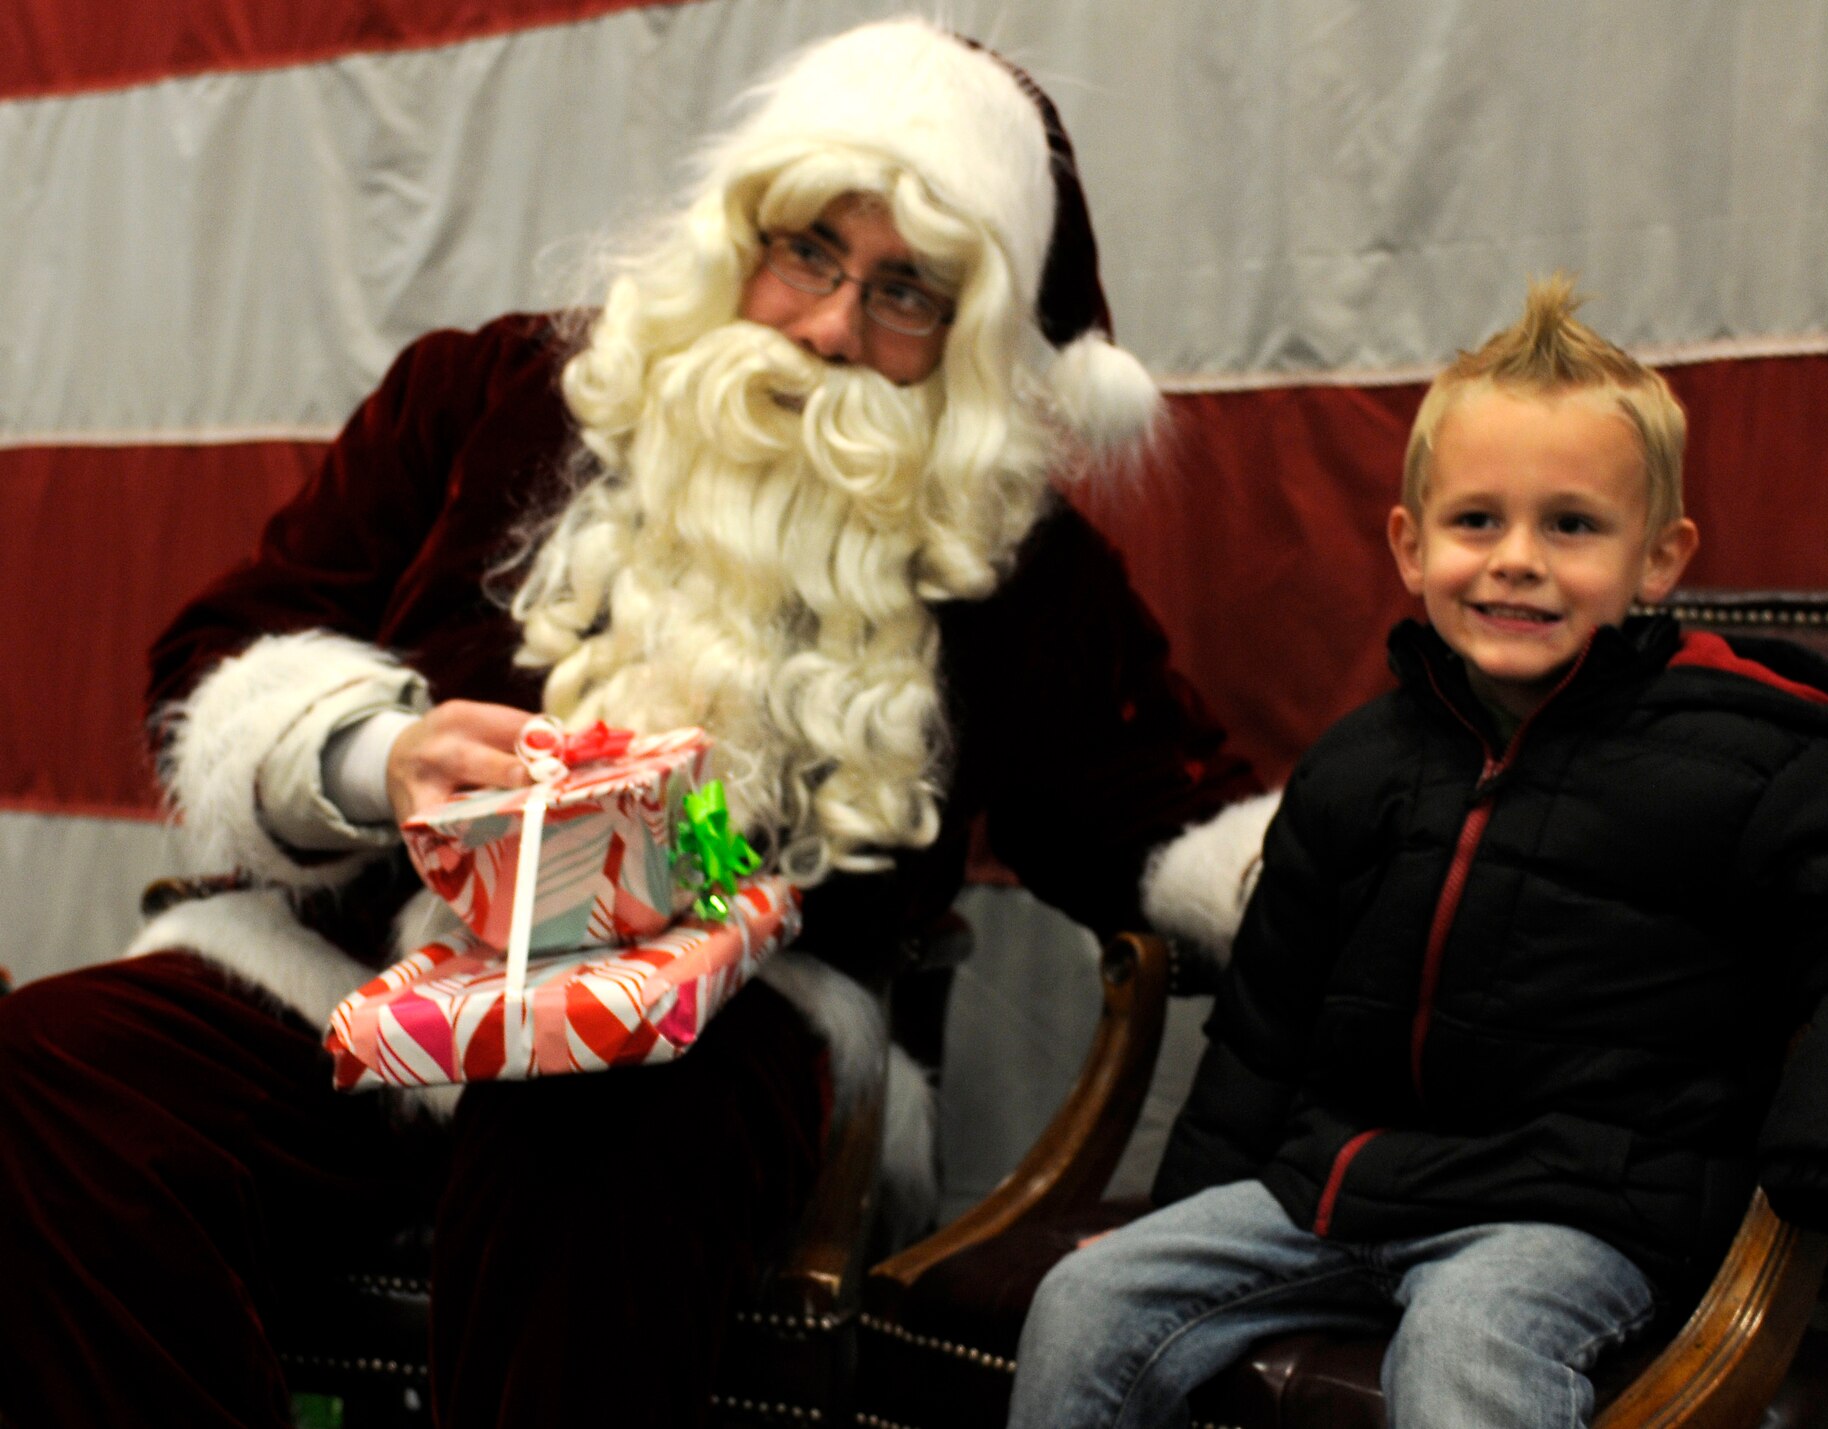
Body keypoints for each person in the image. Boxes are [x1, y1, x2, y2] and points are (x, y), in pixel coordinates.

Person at [0, 19, 1271, 1429]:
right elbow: (219, 654)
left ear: (966, 339)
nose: (830, 328)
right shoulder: (484, 393)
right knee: (44, 1072)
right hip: (350, 973)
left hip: (704, 1035)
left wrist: (1359, 864)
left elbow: (1158, 817)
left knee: (594, 1100)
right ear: (735, 237)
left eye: (905, 291)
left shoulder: (1006, 556)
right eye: (808, 251)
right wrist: (378, 755)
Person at [1006, 277, 1828, 1429]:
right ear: (1409, 543)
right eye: (1475, 520)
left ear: (1657, 557)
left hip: (1578, 1213)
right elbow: (1266, 1024)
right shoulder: (1357, 764)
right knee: (1083, 1297)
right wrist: (1187, 1204)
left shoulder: (1746, 758)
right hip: (1338, 1186)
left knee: (1468, 1343)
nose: (1515, 558)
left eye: (1570, 525)